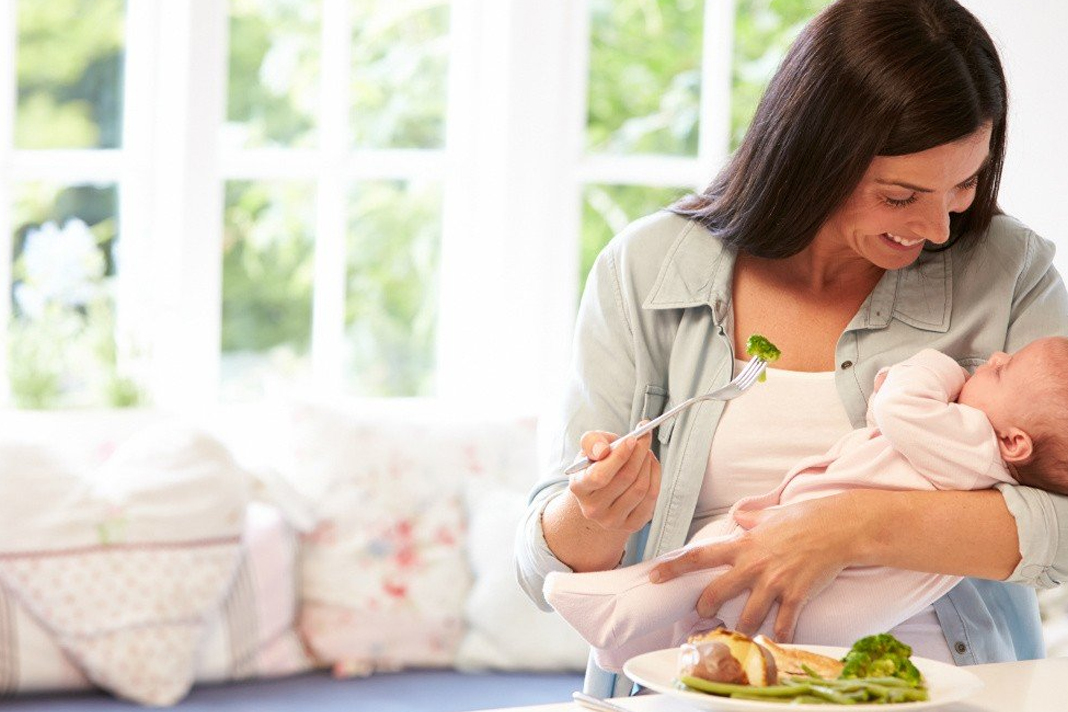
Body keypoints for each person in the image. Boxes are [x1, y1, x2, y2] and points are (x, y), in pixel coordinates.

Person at [514, 0, 1068, 698]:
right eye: (901, 196)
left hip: (945, 688)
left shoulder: (1006, 269)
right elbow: (540, 571)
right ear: (815, 155)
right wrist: (595, 515)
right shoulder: (648, 270)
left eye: (962, 186)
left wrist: (849, 526)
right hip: (695, 686)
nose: (936, 225)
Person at [543, 339, 1068, 672]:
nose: (994, 357)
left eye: (1002, 371)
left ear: (1016, 443)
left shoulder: (972, 438)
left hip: (815, 565)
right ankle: (628, 648)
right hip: (847, 613)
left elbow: (899, 404)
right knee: (709, 622)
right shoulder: (987, 469)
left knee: (699, 566)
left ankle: (611, 610)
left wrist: (938, 364)